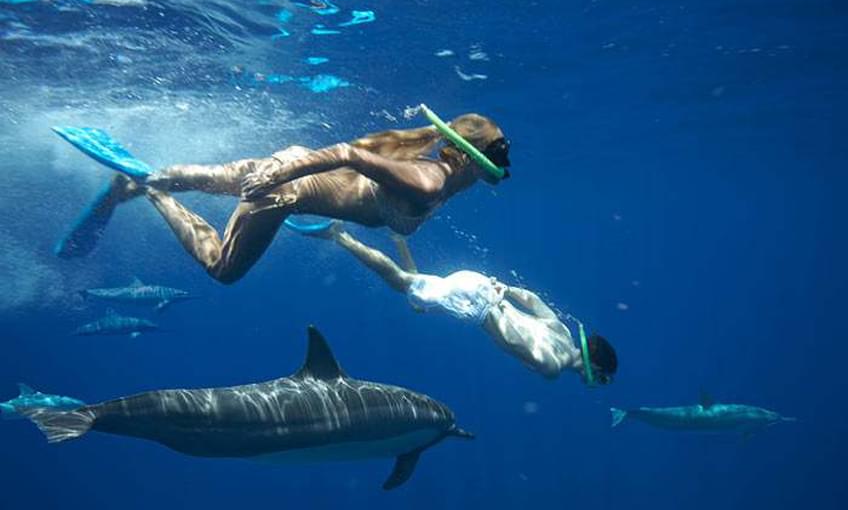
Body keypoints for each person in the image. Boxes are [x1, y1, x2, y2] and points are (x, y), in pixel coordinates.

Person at [58, 110, 511, 284]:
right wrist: (283, 173)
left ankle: (140, 181)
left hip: (291, 169)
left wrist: (285, 165)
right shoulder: (430, 181)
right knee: (223, 269)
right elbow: (349, 154)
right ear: (470, 161)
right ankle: (149, 190)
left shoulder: (438, 178)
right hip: (285, 187)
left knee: (211, 178)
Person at [299, 222, 617, 384]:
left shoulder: (560, 329)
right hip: (476, 306)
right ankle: (340, 236)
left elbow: (531, 299)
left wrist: (502, 290)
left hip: (481, 285)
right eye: (602, 379)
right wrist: (489, 308)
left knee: (418, 298)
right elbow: (510, 338)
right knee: (400, 282)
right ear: (596, 368)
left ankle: (398, 237)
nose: (597, 383)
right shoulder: (552, 367)